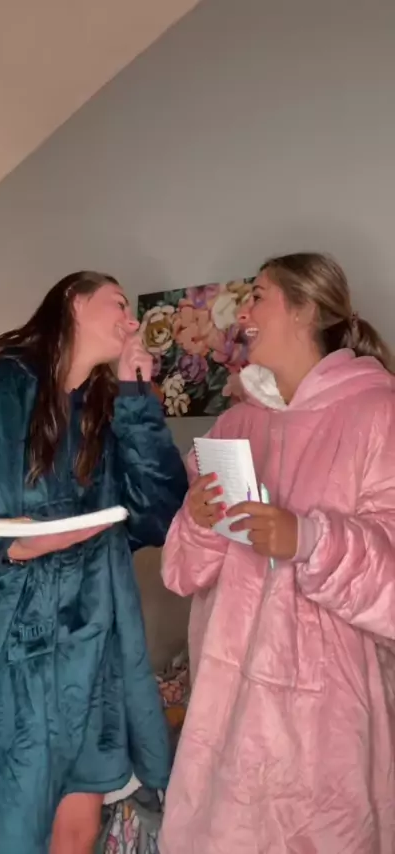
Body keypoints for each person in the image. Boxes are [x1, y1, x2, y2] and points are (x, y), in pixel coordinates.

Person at [0, 270, 188, 854]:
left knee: (76, 832)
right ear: (73, 301)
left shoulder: (107, 409)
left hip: (90, 661)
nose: (132, 319)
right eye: (118, 302)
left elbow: (160, 513)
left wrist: (137, 398)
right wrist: (5, 545)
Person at [159, 252, 395, 854]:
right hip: (223, 712)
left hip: (324, 727)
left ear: (304, 309)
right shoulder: (236, 425)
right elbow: (181, 573)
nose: (242, 314)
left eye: (258, 296)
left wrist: (308, 540)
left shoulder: (379, 414)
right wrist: (199, 521)